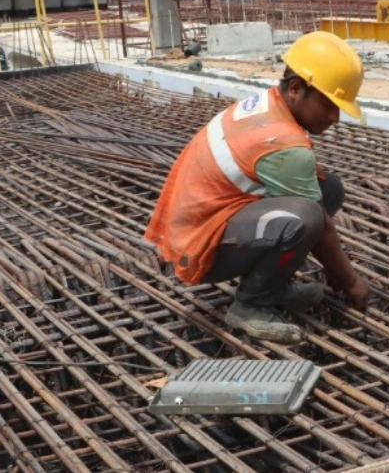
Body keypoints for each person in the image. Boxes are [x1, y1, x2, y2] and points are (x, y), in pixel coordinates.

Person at [145, 31, 370, 343]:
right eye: (328, 104)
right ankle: (250, 305)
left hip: (206, 219)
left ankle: (272, 285)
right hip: (198, 244)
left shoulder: (267, 104)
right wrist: (351, 281)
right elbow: (321, 227)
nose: (335, 118)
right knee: (306, 218)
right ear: (295, 88)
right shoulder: (283, 143)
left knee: (328, 188)